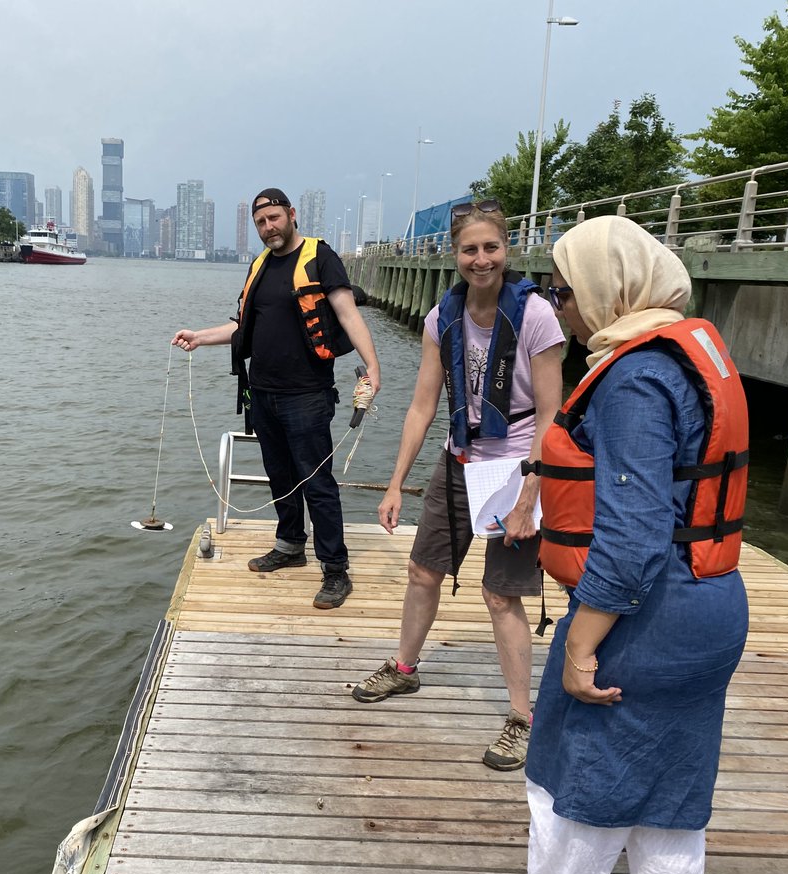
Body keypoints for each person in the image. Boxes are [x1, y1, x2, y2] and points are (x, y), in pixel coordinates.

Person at [524, 215, 750, 874]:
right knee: (669, 813)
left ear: (607, 289)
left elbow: (632, 540)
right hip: (712, 608)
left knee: (571, 807)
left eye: (562, 290)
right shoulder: (692, 356)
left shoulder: (633, 379)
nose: (557, 307)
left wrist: (578, 649)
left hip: (645, 622)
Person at [352, 200, 564, 772]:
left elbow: (552, 414)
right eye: (470, 249)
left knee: (501, 594)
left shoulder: (537, 316)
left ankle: (522, 717)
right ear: (454, 254)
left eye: (491, 247)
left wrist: (530, 495)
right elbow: (423, 406)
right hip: (460, 458)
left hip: (519, 464)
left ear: (507, 249)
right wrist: (395, 483)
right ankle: (404, 669)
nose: (481, 259)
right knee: (423, 570)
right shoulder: (441, 318)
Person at [172, 188, 381, 610]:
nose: (269, 228)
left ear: (291, 214)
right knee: (279, 476)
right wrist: (200, 337)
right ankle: (289, 545)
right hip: (263, 394)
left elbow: (347, 313)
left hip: (307, 396)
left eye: (274, 218)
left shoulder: (320, 257)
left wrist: (373, 368)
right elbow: (241, 326)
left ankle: (335, 569)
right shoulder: (260, 266)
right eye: (261, 223)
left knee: (317, 484)